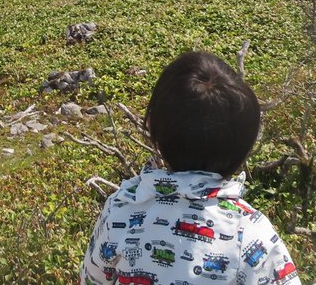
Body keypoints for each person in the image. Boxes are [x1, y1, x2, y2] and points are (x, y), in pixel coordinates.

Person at [80, 51, 300, 285]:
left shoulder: (122, 209)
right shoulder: (250, 232)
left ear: (152, 127)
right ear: (246, 146)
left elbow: (92, 280)